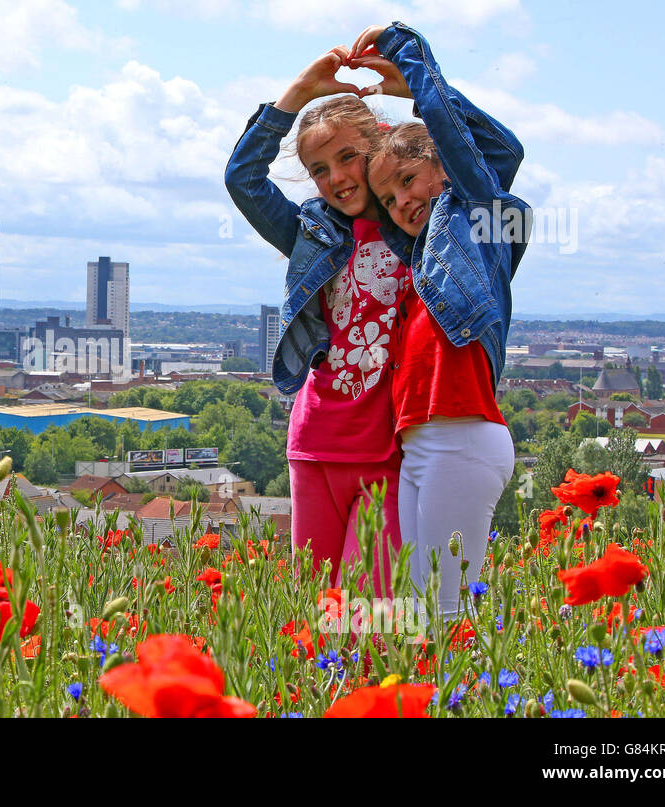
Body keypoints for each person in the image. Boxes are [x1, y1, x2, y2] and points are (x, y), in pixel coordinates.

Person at [349, 22, 530, 619]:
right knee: (424, 613)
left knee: (449, 615)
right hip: (421, 445)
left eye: (408, 180)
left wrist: (412, 63)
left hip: (462, 436)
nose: (401, 202)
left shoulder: (476, 223)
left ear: (445, 169)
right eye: (389, 197)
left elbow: (502, 150)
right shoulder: (418, 259)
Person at [224, 48, 412, 595]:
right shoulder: (311, 233)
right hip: (314, 445)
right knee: (320, 610)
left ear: (378, 147)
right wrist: (300, 92)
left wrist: (417, 93)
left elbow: (490, 164)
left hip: (389, 455)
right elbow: (243, 179)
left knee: (374, 614)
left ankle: (384, 684)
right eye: (319, 170)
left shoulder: (423, 229)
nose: (337, 179)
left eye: (349, 158)